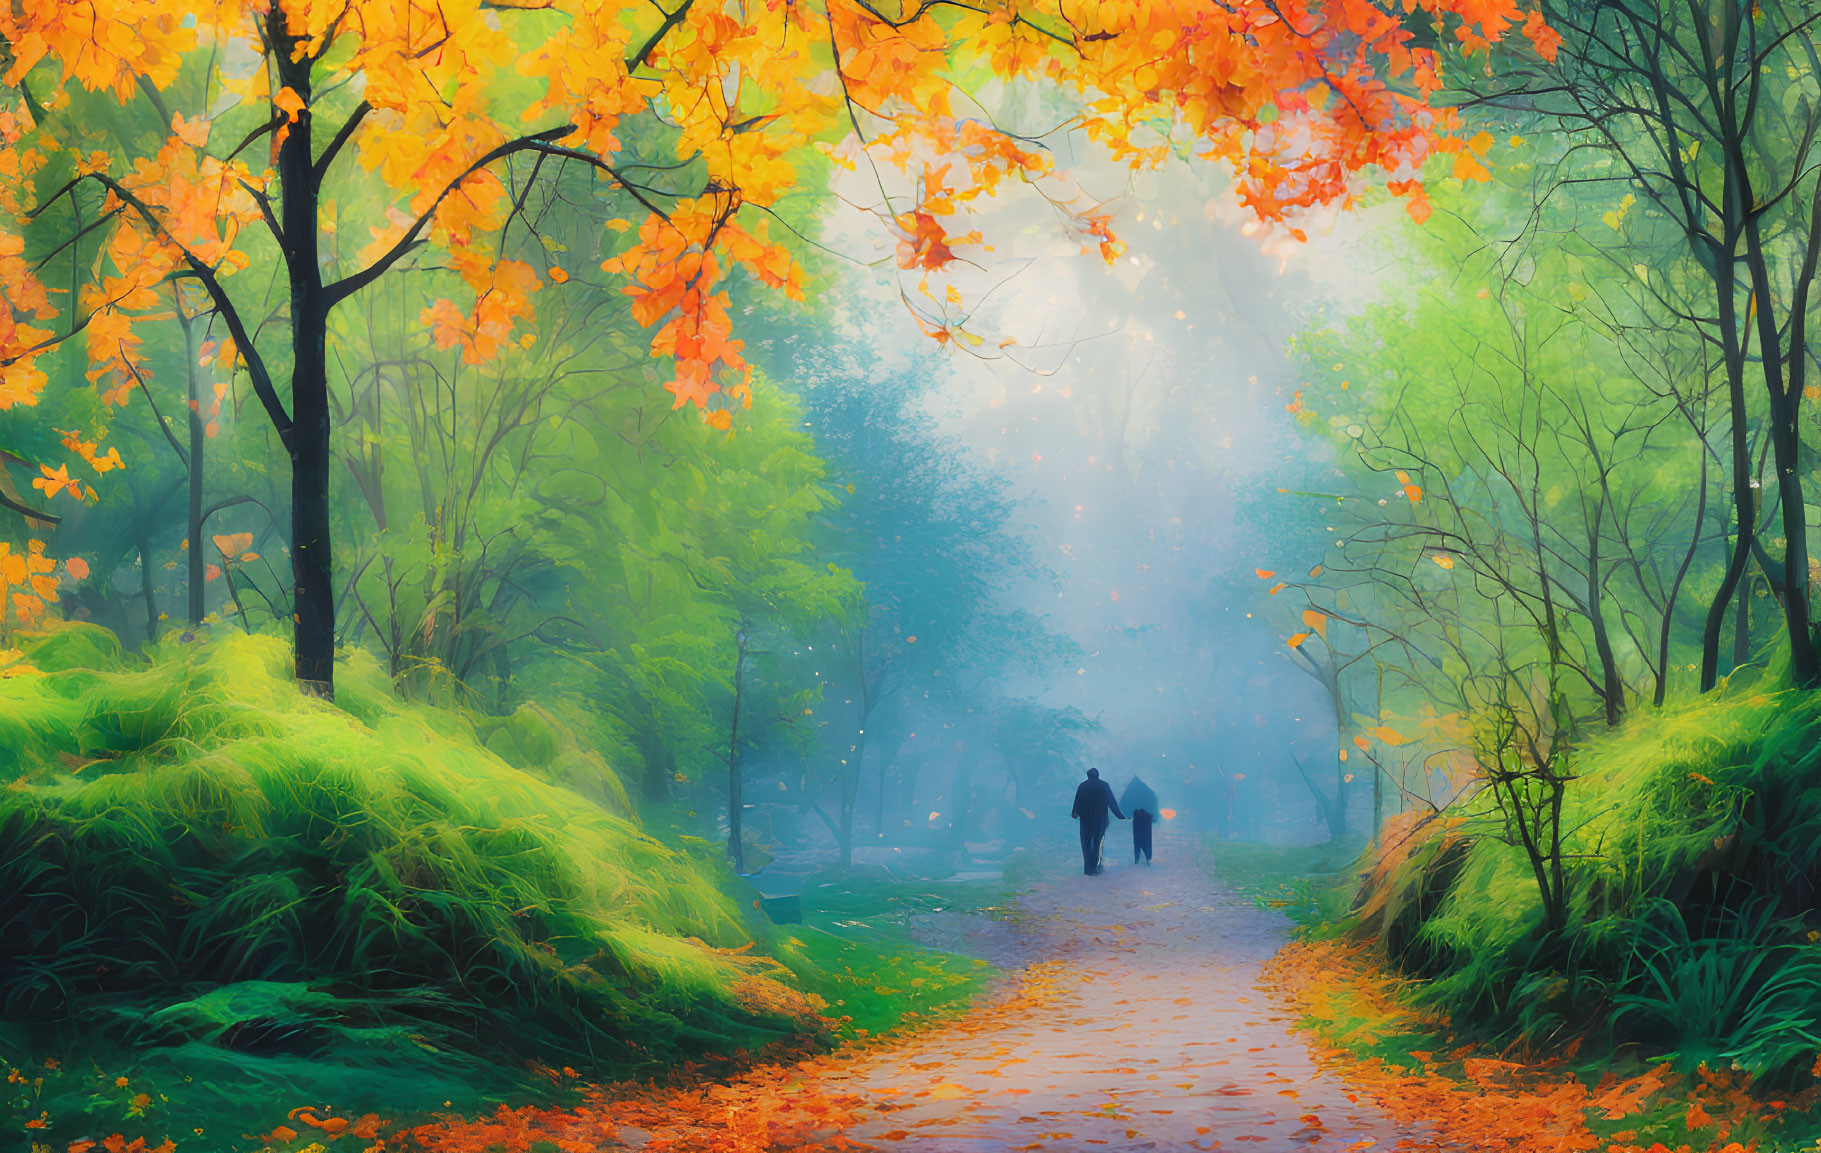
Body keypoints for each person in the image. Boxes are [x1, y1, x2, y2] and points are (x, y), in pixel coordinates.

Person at [1070, 767, 1125, 875]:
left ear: (1087, 776)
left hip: (1086, 821)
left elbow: (1076, 803)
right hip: (1100, 820)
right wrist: (1120, 816)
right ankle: (1096, 869)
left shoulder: (1082, 786)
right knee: (1097, 843)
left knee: (1086, 844)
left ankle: (1088, 871)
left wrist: (1074, 814)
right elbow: (1112, 803)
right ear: (1098, 775)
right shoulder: (1104, 785)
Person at [1120, 775, 1160, 865]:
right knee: (1146, 838)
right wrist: (1153, 815)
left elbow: (1123, 803)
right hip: (1146, 818)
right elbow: (1154, 800)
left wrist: (1129, 814)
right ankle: (1147, 859)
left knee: (1137, 839)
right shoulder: (1148, 791)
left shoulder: (1130, 790)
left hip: (1137, 818)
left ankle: (1137, 859)